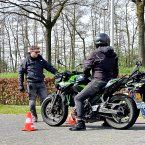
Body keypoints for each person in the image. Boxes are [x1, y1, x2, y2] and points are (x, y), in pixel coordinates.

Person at [69, 33, 119, 131]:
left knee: (79, 98)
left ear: (96, 42)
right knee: (103, 100)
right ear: (107, 41)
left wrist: (86, 74)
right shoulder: (113, 54)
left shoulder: (95, 53)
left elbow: (87, 67)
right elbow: (116, 71)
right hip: (110, 81)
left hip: (98, 81)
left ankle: (80, 123)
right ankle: (107, 120)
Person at [18, 45, 58, 122]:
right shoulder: (25, 61)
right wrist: (20, 85)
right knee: (32, 102)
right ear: (30, 51)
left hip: (41, 83)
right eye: (36, 52)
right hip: (31, 84)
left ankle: (45, 116)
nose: (38, 53)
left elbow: (49, 67)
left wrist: (57, 73)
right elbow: (20, 73)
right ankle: (34, 116)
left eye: (38, 52)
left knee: (45, 100)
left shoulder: (41, 59)